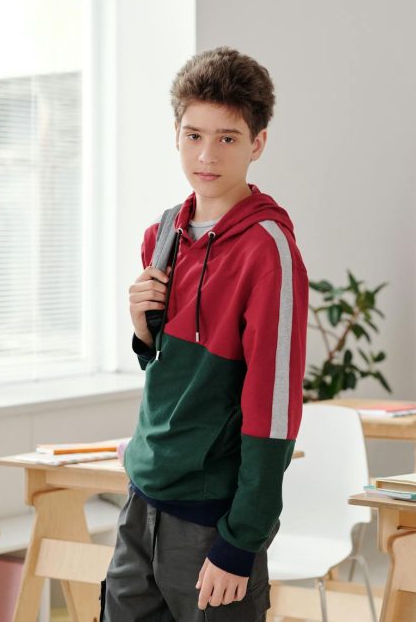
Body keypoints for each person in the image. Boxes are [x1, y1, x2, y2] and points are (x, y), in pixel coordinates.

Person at [103, 47, 308, 621]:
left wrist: (242, 540)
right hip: (142, 500)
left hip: (210, 518)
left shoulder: (269, 251)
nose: (206, 155)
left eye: (227, 138)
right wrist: (144, 333)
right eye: (193, 135)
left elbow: (272, 404)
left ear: (257, 144)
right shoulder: (163, 233)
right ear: (176, 134)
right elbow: (169, 369)